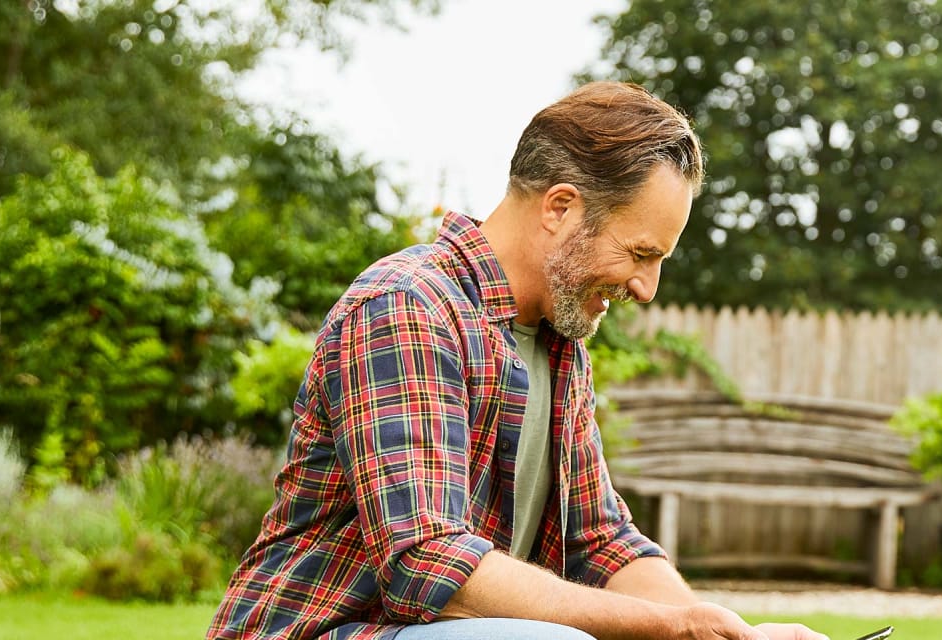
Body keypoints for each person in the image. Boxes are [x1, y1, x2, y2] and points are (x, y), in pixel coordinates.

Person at [207, 82, 828, 640]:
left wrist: (731, 635)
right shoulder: (407, 307)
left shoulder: (560, 343)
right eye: (640, 252)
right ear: (560, 208)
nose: (647, 288)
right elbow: (428, 561)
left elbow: (602, 544)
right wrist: (672, 629)